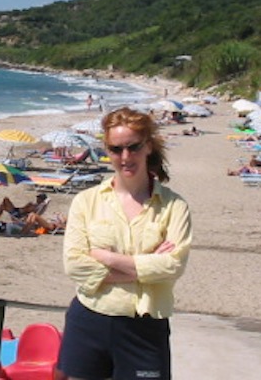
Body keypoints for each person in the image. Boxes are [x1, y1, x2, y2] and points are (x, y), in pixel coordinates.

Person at [60, 106, 192, 380]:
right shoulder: (86, 202)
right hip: (89, 318)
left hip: (144, 327)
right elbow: (74, 265)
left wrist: (106, 257)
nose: (125, 157)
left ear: (148, 147)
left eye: (133, 147)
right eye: (116, 149)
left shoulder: (173, 206)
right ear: (107, 151)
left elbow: (172, 266)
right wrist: (145, 269)